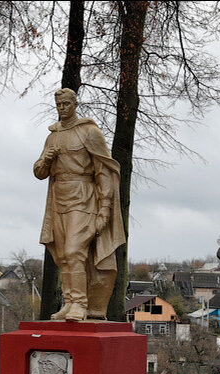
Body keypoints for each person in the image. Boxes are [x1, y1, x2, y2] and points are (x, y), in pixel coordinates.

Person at [34, 88, 125, 321]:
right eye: (59, 105)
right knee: (63, 255)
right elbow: (39, 173)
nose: (62, 109)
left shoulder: (89, 132)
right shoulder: (52, 136)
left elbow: (104, 171)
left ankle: (81, 304)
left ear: (74, 104)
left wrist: (105, 208)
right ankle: (70, 302)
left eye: (66, 104)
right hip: (58, 198)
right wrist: (47, 158)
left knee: (74, 250)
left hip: (84, 197)